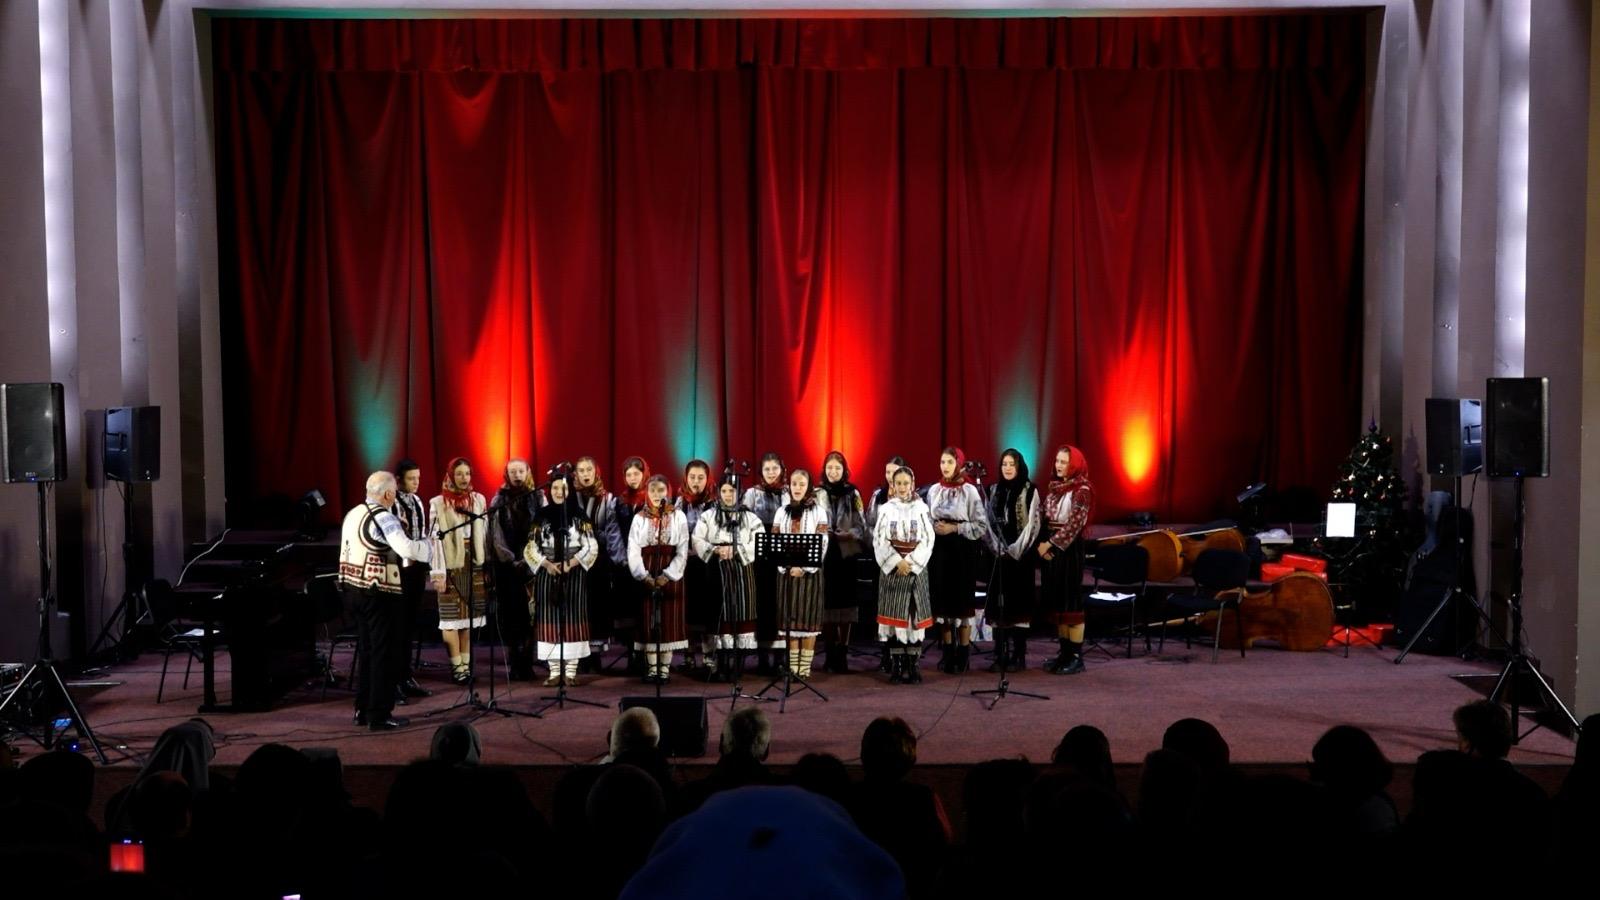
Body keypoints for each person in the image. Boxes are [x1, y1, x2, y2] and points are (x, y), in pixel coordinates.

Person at [338, 471, 431, 730]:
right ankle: (379, 714)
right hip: (377, 593)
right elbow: (407, 549)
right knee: (384, 653)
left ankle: (363, 708)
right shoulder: (384, 517)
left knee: (367, 651)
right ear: (389, 494)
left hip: (353, 590)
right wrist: (429, 546)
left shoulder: (353, 513)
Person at [524, 474, 600, 686]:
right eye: (555, 488)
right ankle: (554, 672)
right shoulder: (541, 515)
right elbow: (530, 547)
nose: (559, 492)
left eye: (563, 488)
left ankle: (571, 672)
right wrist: (546, 564)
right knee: (549, 621)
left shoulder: (579, 515)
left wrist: (571, 563)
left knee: (573, 619)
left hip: (574, 572)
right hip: (547, 573)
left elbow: (591, 546)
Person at [691, 476, 763, 683]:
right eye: (724, 491)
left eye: (732, 491)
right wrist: (715, 549)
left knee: (741, 611)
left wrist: (737, 550)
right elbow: (697, 539)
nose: (728, 495)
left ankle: (738, 665)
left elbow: (758, 541)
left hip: (742, 569)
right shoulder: (708, 515)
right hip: (716, 568)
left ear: (739, 493)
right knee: (718, 613)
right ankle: (720, 664)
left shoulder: (750, 517)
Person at [925, 447, 991, 673]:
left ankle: (963, 655)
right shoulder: (934, 490)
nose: (945, 466)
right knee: (942, 603)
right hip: (940, 551)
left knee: (961, 604)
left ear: (959, 464)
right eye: (942, 462)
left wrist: (955, 528)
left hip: (962, 551)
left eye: (950, 462)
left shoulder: (969, 491)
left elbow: (980, 525)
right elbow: (927, 517)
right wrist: (933, 528)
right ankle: (947, 652)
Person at [872, 466, 936, 683]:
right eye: (898, 483)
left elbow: (928, 539)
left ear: (912, 484)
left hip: (915, 570)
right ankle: (897, 667)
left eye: (905, 483)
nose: (902, 487)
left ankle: (913, 666)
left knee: (913, 619)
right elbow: (879, 539)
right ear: (893, 485)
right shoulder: (886, 509)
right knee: (895, 618)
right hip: (893, 571)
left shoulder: (922, 508)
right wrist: (895, 561)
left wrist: (911, 562)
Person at [628, 474, 691, 683]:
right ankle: (652, 668)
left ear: (668, 492)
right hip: (647, 570)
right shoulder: (639, 517)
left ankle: (664, 669)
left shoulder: (678, 516)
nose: (657, 495)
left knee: (668, 621)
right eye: (653, 490)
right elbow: (633, 549)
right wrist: (643, 575)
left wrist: (669, 575)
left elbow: (682, 549)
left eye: (661, 490)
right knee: (648, 620)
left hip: (670, 572)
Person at [1038, 445, 1093, 675]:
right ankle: (1064, 653)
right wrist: (1041, 544)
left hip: (1069, 550)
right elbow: (1043, 517)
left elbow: (1074, 525)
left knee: (1071, 602)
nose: (1059, 465)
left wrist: (1050, 544)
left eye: (1064, 462)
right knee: (1058, 602)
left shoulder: (1082, 490)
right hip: (1051, 549)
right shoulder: (1054, 489)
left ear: (1074, 465)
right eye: (1057, 461)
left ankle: (1076, 657)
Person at [986, 448, 1041, 671]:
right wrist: (996, 547)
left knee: (1019, 605)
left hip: (1020, 558)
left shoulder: (1030, 490)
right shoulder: (993, 490)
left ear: (1019, 467)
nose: (1007, 468)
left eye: (1012, 464)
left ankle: (1019, 655)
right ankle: (1000, 654)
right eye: (1004, 464)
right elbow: (987, 521)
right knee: (999, 605)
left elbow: (1033, 525)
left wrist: (1015, 549)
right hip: (998, 556)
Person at [772, 468, 829, 679]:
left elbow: (822, 542)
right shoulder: (781, 511)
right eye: (794, 484)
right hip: (786, 573)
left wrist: (804, 567)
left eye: (802, 484)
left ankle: (804, 669)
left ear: (808, 487)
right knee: (789, 621)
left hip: (809, 574)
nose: (797, 488)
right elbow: (775, 541)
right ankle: (793, 668)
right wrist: (784, 566)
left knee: (807, 621)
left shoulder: (818, 511)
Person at [488, 457, 540, 680]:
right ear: (506, 475)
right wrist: (510, 560)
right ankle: (514, 661)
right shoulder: (499, 499)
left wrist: (529, 558)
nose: (517, 475)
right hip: (507, 567)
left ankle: (527, 661)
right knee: (511, 615)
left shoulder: (538, 497)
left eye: (521, 471)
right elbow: (495, 535)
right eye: (513, 472)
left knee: (530, 616)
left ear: (527, 472)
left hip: (532, 565)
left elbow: (542, 531)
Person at [573, 456, 625, 671]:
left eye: (589, 470)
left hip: (599, 562)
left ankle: (594, 656)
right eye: (581, 470)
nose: (586, 474)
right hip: (575, 561)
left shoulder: (607, 499)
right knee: (578, 607)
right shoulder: (569, 497)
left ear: (596, 473)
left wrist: (618, 559)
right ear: (576, 474)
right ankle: (579, 655)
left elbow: (612, 531)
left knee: (597, 608)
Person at [818, 451, 868, 674]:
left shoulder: (853, 493)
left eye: (837, 468)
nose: (833, 472)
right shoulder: (817, 493)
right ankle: (830, 652)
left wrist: (849, 534)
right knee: (828, 605)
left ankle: (843, 652)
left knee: (846, 605)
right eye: (829, 468)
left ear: (844, 470)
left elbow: (862, 524)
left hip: (847, 553)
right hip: (826, 554)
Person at [742, 452, 790, 673]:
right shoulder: (752, 493)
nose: (771, 473)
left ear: (782, 470)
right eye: (767, 469)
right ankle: (762, 656)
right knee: (761, 602)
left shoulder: (789, 492)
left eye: (775, 468)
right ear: (761, 472)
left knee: (781, 602)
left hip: (783, 553)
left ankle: (780, 657)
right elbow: (744, 522)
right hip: (759, 555)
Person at [391, 459, 431, 698]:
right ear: (398, 481)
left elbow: (422, 534)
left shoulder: (416, 501)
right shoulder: (391, 503)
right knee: (398, 626)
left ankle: (405, 676)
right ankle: (394, 679)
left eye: (418, 478)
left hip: (416, 570)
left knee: (409, 625)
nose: (416, 483)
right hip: (398, 571)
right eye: (411, 478)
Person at [675, 460, 716, 675]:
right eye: (692, 477)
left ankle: (709, 657)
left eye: (701, 478)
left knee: (707, 610)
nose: (696, 482)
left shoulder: (714, 502)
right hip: (686, 564)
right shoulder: (679, 502)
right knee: (687, 611)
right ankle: (688, 656)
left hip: (707, 563)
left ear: (707, 479)